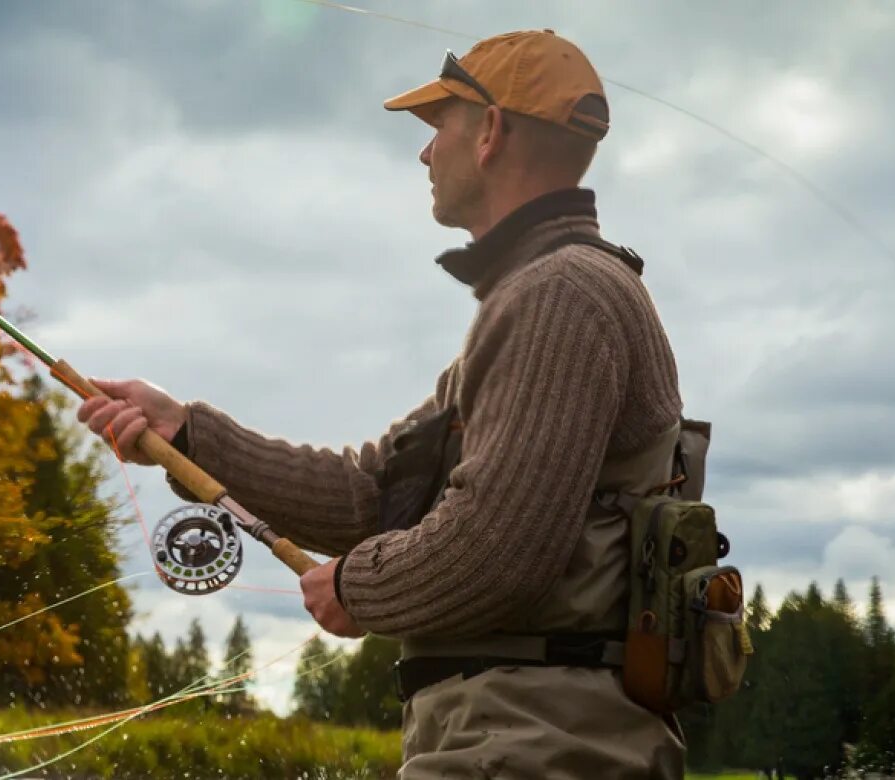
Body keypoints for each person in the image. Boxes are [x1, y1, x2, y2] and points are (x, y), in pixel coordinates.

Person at [76, 29, 687, 778]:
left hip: (534, 745)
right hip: (507, 737)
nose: (425, 154)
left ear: (490, 133)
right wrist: (191, 434)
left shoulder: (561, 296)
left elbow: (500, 549)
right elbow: (379, 494)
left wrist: (356, 588)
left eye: (441, 128)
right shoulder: (541, 299)